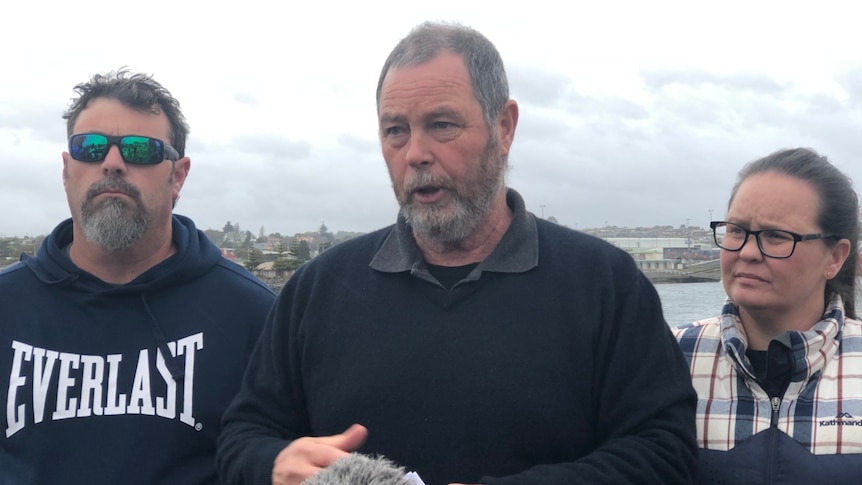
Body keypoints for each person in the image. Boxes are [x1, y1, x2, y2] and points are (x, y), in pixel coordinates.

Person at [218, 22, 697, 485]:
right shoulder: (318, 288)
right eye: (395, 131)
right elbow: (242, 439)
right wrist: (274, 464)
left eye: (441, 125)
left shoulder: (605, 283)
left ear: (504, 127)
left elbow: (664, 454)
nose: (415, 154)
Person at [0, 69, 275, 484]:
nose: (112, 164)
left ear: (177, 176)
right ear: (65, 169)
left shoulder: (253, 315)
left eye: (139, 150)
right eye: (90, 148)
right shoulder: (7, 306)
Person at [673, 148, 862, 483]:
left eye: (776, 236)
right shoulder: (670, 356)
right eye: (736, 230)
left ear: (834, 257)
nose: (746, 252)